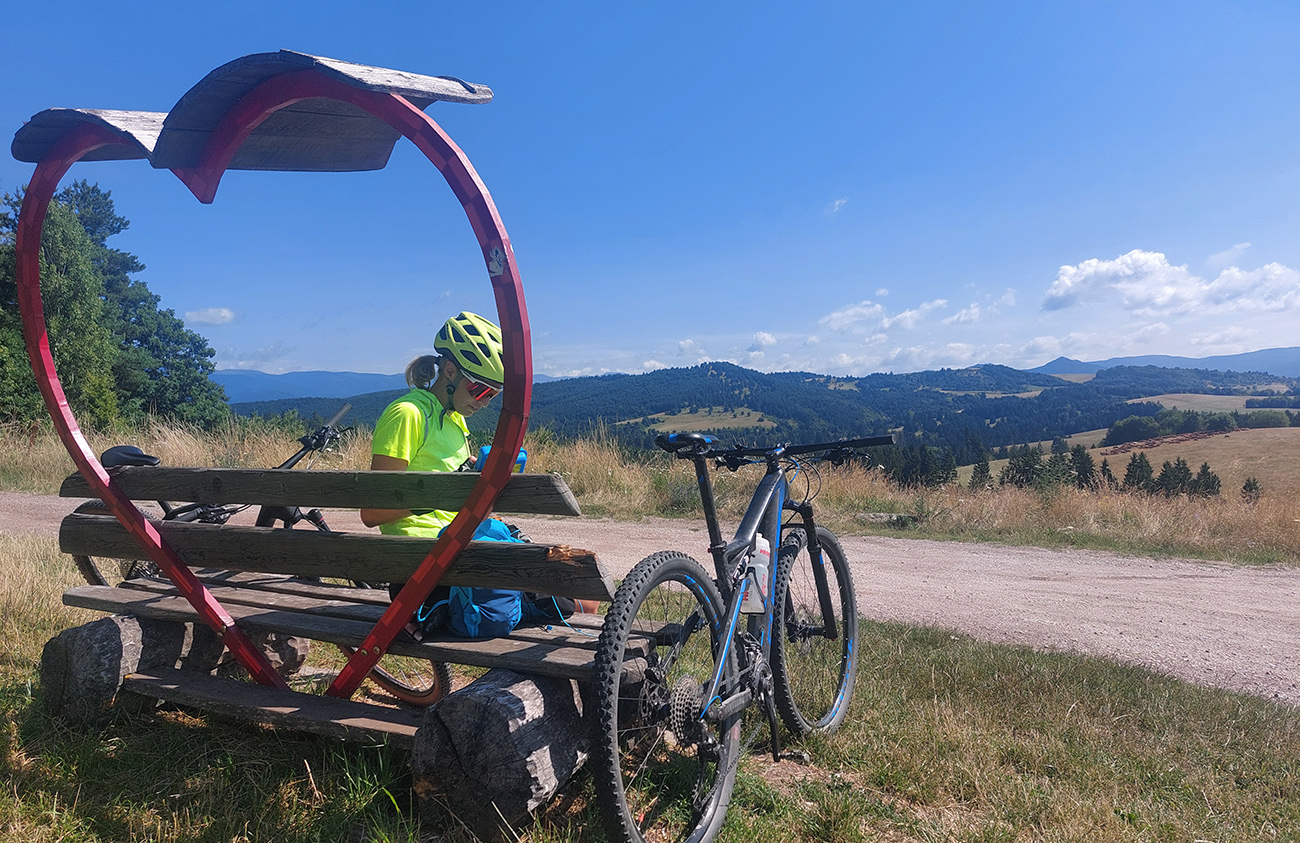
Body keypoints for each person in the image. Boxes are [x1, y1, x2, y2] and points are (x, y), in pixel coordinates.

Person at [360, 311, 592, 638]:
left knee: (575, 594)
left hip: (458, 554)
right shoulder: (408, 414)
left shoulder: (455, 422)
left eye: (492, 396)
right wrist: (446, 492)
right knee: (582, 602)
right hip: (426, 567)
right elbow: (372, 512)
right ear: (450, 371)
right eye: (480, 391)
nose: (483, 403)